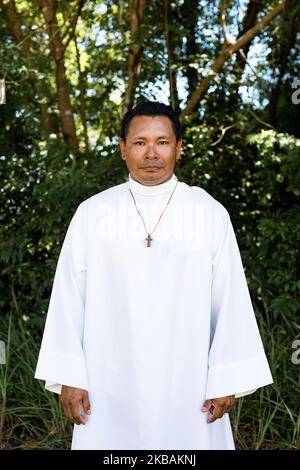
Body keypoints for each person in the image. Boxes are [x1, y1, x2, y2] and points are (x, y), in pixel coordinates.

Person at [35, 101, 273, 450]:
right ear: (122, 149)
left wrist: (227, 378)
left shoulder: (207, 213)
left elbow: (231, 296)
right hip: (108, 381)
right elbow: (69, 297)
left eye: (162, 142)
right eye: (139, 142)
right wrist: (70, 377)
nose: (151, 153)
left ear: (178, 147)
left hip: (189, 382)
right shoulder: (93, 213)